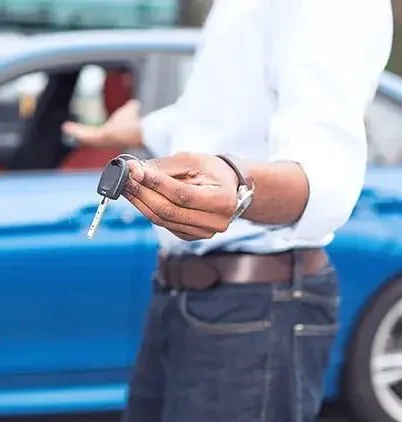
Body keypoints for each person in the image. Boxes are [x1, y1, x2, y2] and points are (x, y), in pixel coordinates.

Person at [62, 1, 392, 421]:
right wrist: (142, 130)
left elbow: (327, 176)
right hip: (182, 295)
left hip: (259, 304)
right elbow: (222, 114)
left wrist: (239, 182)